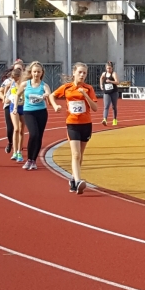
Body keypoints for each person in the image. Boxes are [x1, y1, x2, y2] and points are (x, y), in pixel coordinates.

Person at [52, 62, 98, 194]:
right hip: (72, 124)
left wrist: (85, 95)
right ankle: (78, 181)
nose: (82, 75)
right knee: (76, 154)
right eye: (80, 72)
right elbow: (52, 95)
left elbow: (95, 108)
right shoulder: (67, 87)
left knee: (80, 155)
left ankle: (73, 179)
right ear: (74, 73)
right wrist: (55, 106)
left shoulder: (88, 88)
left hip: (86, 124)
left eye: (84, 73)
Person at [16, 62, 60, 170]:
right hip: (29, 112)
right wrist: (15, 108)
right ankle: (29, 159)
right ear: (31, 72)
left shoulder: (44, 86)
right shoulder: (25, 84)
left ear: (42, 73)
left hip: (41, 112)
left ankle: (33, 160)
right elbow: (17, 94)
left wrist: (48, 98)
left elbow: (49, 97)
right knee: (33, 134)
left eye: (38, 72)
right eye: (34, 72)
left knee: (39, 136)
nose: (36, 74)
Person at [0, 60, 25, 154]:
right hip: (9, 105)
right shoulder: (8, 81)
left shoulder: (25, 81)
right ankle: (10, 142)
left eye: (20, 69)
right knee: (10, 128)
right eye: (16, 69)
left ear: (23, 70)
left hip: (21, 105)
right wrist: (4, 98)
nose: (18, 71)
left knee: (20, 129)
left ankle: (18, 148)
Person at [7, 67, 26, 163]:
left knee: (22, 130)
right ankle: (14, 152)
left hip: (24, 107)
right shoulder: (12, 84)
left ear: (20, 77)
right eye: (13, 78)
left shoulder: (25, 84)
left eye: (16, 78)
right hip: (13, 107)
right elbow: (7, 93)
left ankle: (19, 152)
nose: (15, 80)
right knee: (16, 129)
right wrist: (8, 97)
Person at [99, 61, 120, 126]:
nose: (108, 69)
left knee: (114, 106)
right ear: (106, 68)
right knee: (106, 106)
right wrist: (101, 85)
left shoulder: (113, 74)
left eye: (110, 68)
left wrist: (110, 81)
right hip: (106, 92)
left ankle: (114, 119)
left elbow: (117, 82)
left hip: (114, 92)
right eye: (107, 68)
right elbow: (101, 78)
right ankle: (104, 119)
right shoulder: (104, 74)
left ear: (112, 68)